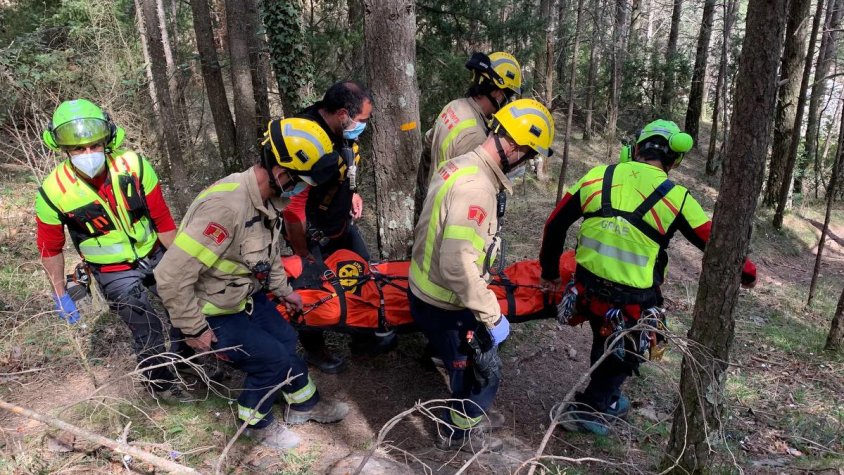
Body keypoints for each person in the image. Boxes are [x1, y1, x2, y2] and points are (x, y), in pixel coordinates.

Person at [537, 119, 758, 435]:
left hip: (585, 287)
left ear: (636, 148)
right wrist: (747, 273)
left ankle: (607, 397)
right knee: (624, 346)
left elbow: (555, 225)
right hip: (632, 301)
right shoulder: (677, 196)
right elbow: (714, 241)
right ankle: (592, 411)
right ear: (674, 159)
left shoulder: (598, 176)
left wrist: (549, 272)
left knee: (606, 337)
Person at [154, 118, 349, 450]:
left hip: (245, 296)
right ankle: (255, 420)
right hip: (213, 310)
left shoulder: (268, 199)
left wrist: (284, 292)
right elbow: (170, 275)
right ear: (282, 173)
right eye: (301, 183)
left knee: (286, 339)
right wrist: (192, 328)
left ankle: (303, 403)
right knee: (270, 358)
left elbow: (268, 254)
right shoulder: (225, 208)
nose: (303, 191)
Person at [408, 98, 555, 452]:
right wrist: (492, 315)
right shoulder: (477, 187)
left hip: (425, 288)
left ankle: (448, 366)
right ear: (516, 146)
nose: (527, 163)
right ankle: (458, 430)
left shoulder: (459, 164)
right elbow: (457, 264)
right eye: (529, 154)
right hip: (444, 302)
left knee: (462, 358)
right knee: (483, 374)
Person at [35, 98, 187, 400]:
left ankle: (189, 362)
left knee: (182, 309)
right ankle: (161, 385)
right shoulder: (53, 192)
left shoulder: (133, 165)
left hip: (154, 252)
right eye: (79, 149)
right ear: (65, 149)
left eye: (94, 145)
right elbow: (50, 249)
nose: (88, 154)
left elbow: (163, 220)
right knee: (147, 328)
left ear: (107, 139)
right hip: (112, 270)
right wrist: (60, 293)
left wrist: (186, 261)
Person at [282, 81, 379, 373]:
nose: (363, 126)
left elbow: (344, 166)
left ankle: (363, 335)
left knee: (362, 271)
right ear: (341, 113)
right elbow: (293, 207)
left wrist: (352, 192)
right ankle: (315, 349)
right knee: (310, 288)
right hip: (310, 233)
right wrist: (303, 253)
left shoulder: (341, 132)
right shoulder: (307, 140)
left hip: (341, 223)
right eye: (361, 121)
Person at [426, 52, 522, 175]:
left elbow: (428, 143)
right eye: (508, 96)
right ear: (498, 93)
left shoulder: (453, 105)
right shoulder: (477, 137)